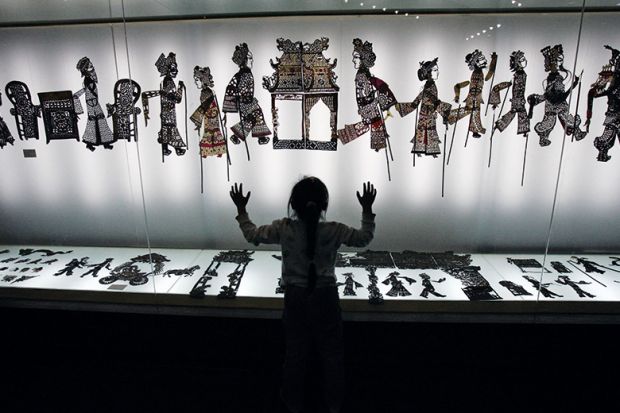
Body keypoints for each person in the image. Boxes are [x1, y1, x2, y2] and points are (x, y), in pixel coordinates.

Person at [230, 177, 377, 413]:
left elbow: (252, 234)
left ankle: (292, 404)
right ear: (324, 205)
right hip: (326, 297)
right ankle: (334, 404)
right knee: (332, 354)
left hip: (295, 297)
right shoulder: (335, 229)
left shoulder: (283, 228)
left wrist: (241, 210)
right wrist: (367, 210)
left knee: (295, 353)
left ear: (293, 204)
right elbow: (363, 238)